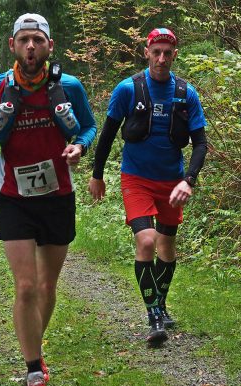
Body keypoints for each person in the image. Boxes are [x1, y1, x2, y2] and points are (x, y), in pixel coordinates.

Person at [0, 13, 96, 386]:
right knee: (25, 286)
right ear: (13, 45)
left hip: (58, 195)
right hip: (13, 197)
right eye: (24, 40)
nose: (31, 47)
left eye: (38, 41)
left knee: (47, 285)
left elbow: (89, 127)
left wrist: (80, 146)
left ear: (49, 46)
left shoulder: (69, 86)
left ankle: (34, 348)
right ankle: (33, 373)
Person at [88, 28, 208, 347]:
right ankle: (154, 314)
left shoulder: (186, 93)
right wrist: (97, 174)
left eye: (167, 52)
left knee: (167, 247)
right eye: (156, 52)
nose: (161, 58)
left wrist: (189, 179)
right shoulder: (128, 89)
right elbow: (108, 134)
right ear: (146, 52)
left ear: (174, 55)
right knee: (146, 241)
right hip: (136, 179)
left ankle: (162, 303)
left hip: (172, 182)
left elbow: (200, 144)